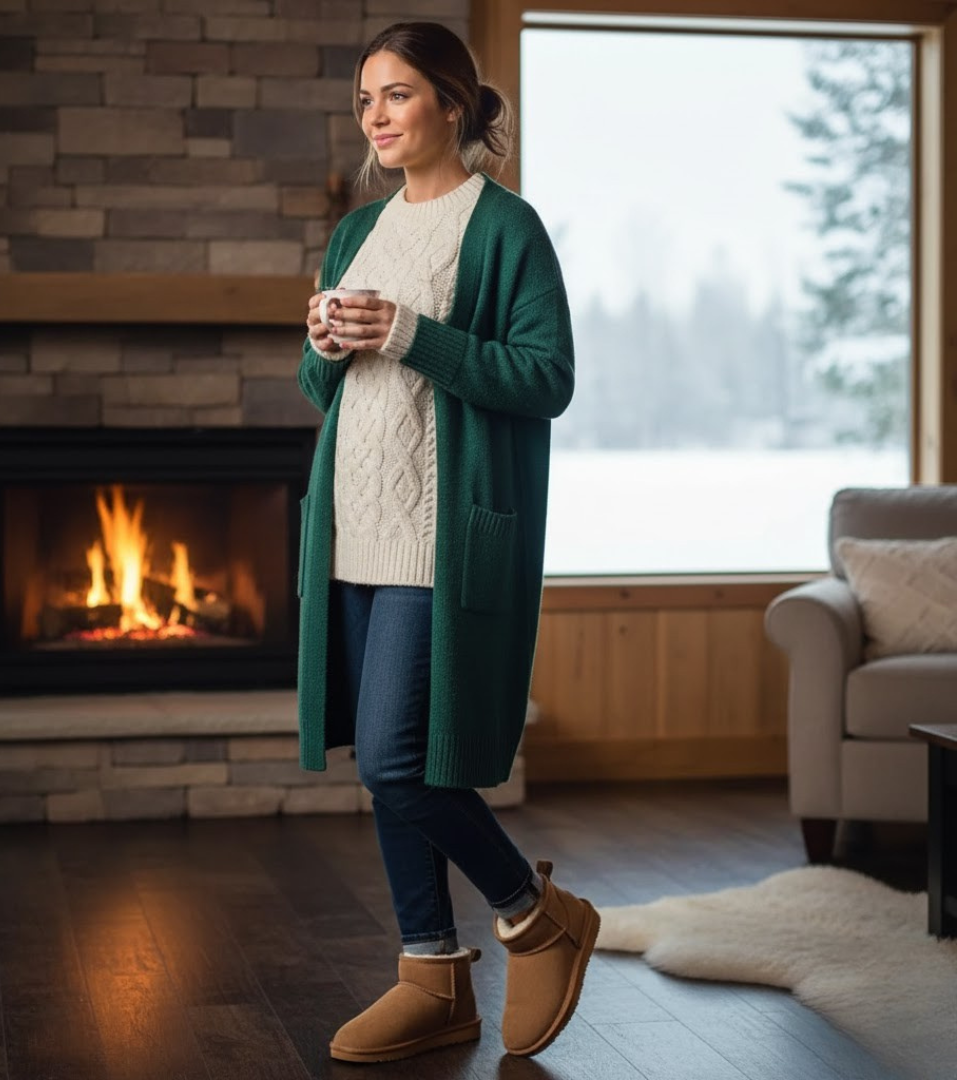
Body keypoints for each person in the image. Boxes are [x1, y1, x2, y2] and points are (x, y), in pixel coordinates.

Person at [296, 20, 599, 1064]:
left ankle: (535, 915)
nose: (375, 118)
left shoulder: (507, 228)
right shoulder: (354, 234)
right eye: (364, 102)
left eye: (397, 95)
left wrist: (408, 333)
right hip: (355, 533)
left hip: (441, 537)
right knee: (388, 767)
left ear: (454, 105)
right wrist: (324, 344)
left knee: (393, 757)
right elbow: (325, 391)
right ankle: (432, 975)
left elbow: (545, 378)